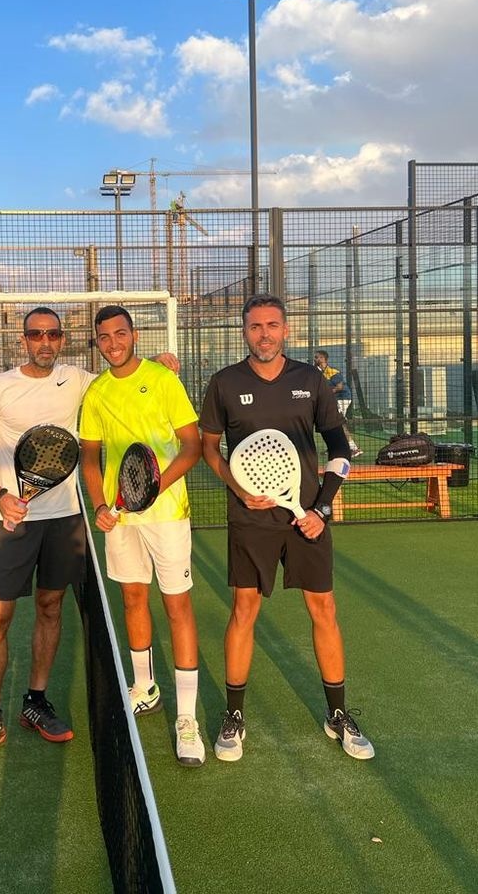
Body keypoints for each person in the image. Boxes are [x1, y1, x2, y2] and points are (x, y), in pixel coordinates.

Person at [0, 306, 178, 766]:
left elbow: (123, 372)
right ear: (24, 340)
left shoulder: (79, 380)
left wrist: (159, 361)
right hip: (11, 522)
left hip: (66, 518)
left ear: (63, 339)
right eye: (36, 334)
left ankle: (36, 701)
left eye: (53, 334)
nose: (45, 341)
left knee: (51, 608)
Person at [201, 294, 374, 763]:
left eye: (272, 325)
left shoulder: (310, 380)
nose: (264, 334)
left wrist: (321, 509)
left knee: (324, 609)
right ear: (244, 332)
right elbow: (210, 449)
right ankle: (234, 716)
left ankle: (337, 714)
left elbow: (339, 448)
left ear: (286, 330)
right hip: (250, 517)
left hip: (307, 518)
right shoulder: (224, 383)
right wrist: (239, 490)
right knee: (244, 610)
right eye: (255, 326)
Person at [79, 305, 206, 767]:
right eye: (104, 337)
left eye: (120, 333)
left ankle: (187, 719)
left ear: (133, 334)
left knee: (177, 606)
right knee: (133, 600)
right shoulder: (95, 393)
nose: (113, 342)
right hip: (121, 519)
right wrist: (100, 504)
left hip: (167, 514)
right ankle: (145, 688)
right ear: (97, 343)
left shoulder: (164, 379)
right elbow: (89, 456)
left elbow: (192, 446)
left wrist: (154, 487)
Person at [313, 350, 361, 457]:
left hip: (343, 398)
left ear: (323, 359)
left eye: (317, 357)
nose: (315, 359)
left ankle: (354, 449)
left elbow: (340, 387)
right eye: (315, 357)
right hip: (335, 400)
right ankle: (333, 447)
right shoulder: (320, 372)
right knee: (332, 423)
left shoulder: (332, 371)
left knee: (338, 424)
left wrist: (326, 393)